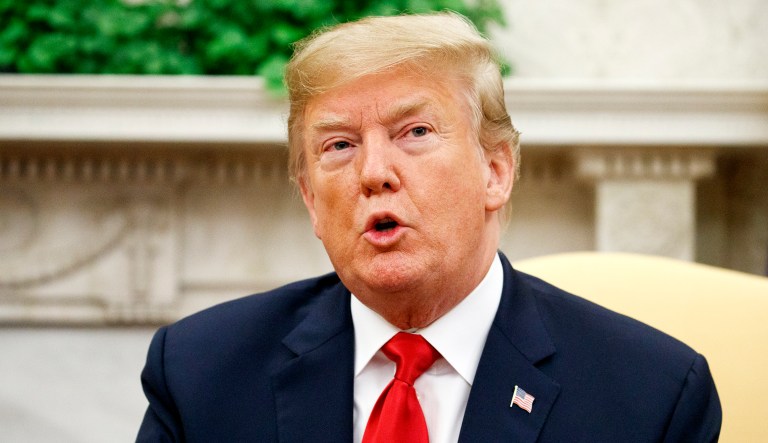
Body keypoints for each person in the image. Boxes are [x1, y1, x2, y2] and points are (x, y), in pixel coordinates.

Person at [136, 12, 721, 442]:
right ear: (312, 201)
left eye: (414, 133)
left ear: (495, 171)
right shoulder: (200, 373)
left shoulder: (652, 397)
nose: (374, 173)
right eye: (339, 145)